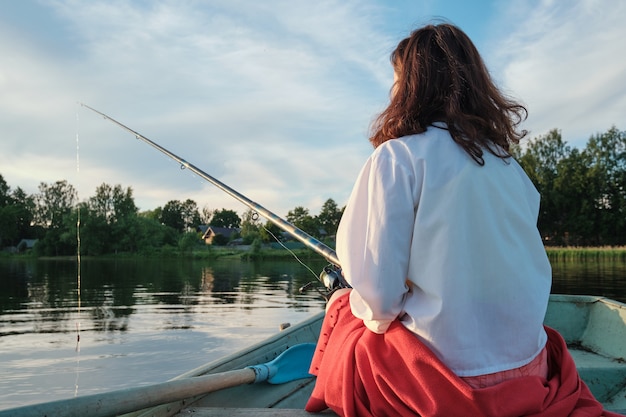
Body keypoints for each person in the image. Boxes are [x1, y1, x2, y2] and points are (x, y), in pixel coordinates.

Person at [305, 23, 622, 417]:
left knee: (343, 309)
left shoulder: (396, 159)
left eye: (397, 80)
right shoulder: (511, 169)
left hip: (439, 387)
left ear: (411, 86)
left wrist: (351, 298)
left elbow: (379, 303)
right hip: (527, 373)